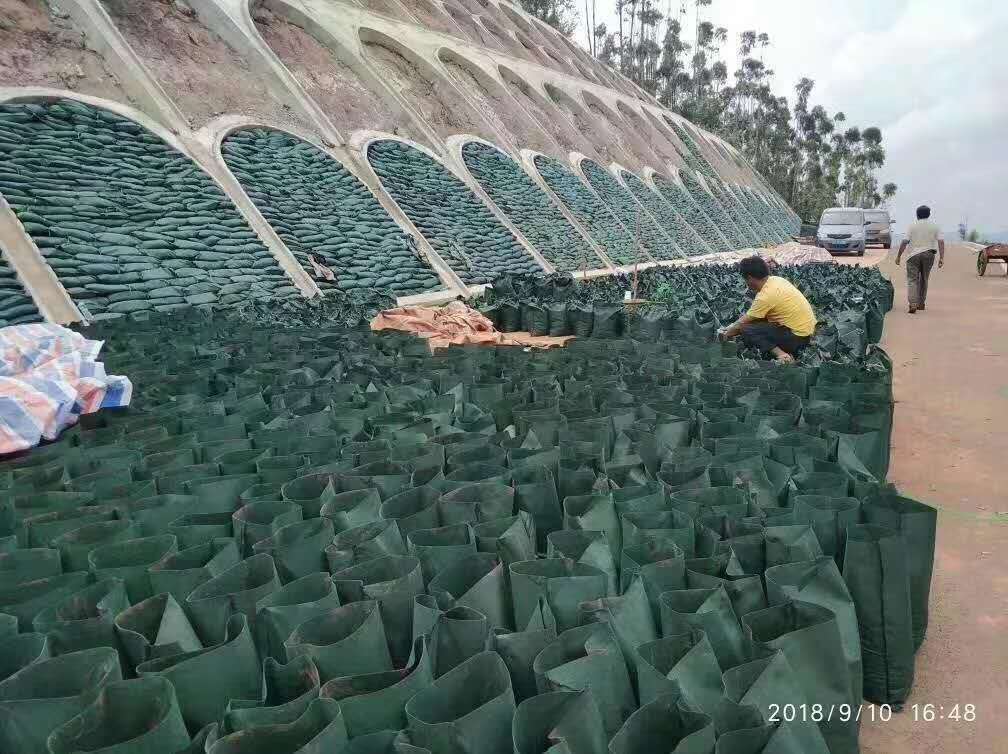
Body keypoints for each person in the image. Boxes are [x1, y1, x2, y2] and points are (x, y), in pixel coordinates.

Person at [719, 256, 817, 363]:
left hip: (797, 339)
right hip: (808, 333)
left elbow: (743, 322)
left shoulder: (765, 296)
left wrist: (726, 333)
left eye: (745, 279)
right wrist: (730, 328)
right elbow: (754, 319)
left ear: (750, 278)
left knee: (746, 330)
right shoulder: (776, 280)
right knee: (755, 323)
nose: (746, 284)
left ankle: (783, 356)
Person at [896, 205, 945, 313]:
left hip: (913, 256)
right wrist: (941, 258)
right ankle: (921, 304)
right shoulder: (935, 226)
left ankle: (913, 304)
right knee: (924, 279)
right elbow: (941, 241)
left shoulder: (912, 226)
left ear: (917, 215)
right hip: (929, 254)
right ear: (929, 214)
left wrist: (899, 256)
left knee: (912, 280)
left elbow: (905, 241)